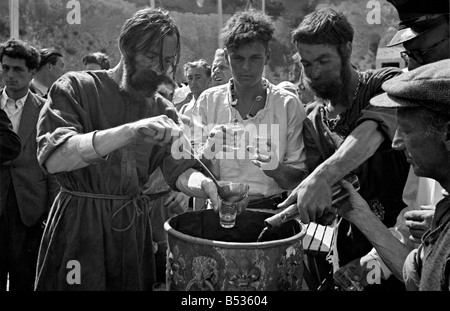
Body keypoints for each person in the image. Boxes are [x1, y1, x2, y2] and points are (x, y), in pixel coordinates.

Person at [35, 7, 219, 291]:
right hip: (79, 228)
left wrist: (206, 185)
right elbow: (56, 158)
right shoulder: (76, 87)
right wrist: (130, 131)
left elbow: (181, 171)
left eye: (168, 61)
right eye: (150, 57)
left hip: (132, 233)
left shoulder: (163, 110)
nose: (159, 69)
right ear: (125, 48)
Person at [279, 8, 410, 290]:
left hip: (403, 242)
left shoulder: (383, 85)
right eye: (306, 63)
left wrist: (322, 177)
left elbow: (373, 131)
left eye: (323, 60)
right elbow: (323, 195)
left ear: (346, 50)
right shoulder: (313, 118)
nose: (314, 72)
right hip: (349, 244)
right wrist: (319, 203)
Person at [338, 59, 450, 291]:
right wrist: (359, 214)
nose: (397, 143)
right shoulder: (442, 213)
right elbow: (414, 274)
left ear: (447, 134)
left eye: (406, 131)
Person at [192, 9, 308, 212]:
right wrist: (208, 151)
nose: (246, 67)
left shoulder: (288, 105)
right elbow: (192, 172)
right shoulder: (208, 102)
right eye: (238, 58)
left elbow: (300, 178)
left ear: (267, 57)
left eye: (254, 58)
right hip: (219, 211)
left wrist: (276, 170)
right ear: (227, 58)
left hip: (271, 213)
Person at [0, 39, 60, 291]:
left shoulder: (46, 111)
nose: (9, 75)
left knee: (25, 280)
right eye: (5, 68)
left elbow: (53, 165)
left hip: (30, 212)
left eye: (17, 70)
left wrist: (53, 213)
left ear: (32, 72)